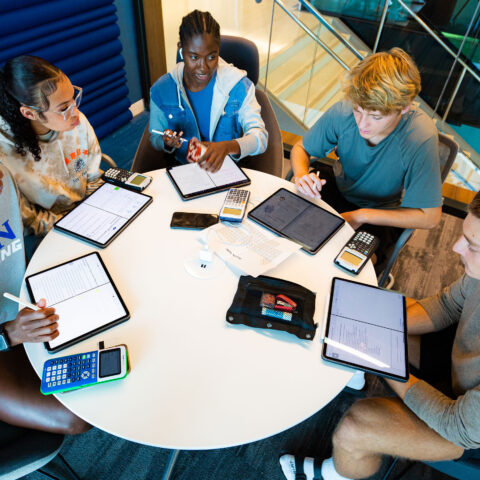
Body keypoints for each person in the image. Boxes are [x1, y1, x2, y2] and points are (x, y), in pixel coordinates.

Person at [279, 190, 480, 480]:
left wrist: (384, 362)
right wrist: (372, 323)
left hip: (466, 431)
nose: (457, 248)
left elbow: (455, 424)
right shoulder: (476, 273)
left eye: (473, 245)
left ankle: (330, 475)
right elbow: (450, 305)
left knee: (354, 429)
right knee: (385, 312)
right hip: (461, 367)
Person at [290, 48, 442, 272]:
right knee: (290, 234)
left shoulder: (420, 137)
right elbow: (301, 148)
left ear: (405, 107)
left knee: (345, 268)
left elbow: (429, 217)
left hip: (382, 213)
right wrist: (302, 174)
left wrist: (361, 216)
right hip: (339, 188)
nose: (362, 124)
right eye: (358, 111)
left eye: (376, 116)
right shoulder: (342, 112)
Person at [0, 163, 90, 434]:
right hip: (7, 337)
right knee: (77, 414)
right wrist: (9, 334)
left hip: (19, 316)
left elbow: (13, 257)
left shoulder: (4, 177)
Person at [149, 9, 268, 173]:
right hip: (185, 172)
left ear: (218, 50)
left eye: (211, 57)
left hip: (227, 173)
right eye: (194, 57)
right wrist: (165, 141)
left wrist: (227, 147)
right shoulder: (161, 90)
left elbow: (260, 138)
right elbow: (154, 136)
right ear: (181, 49)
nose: (203, 68)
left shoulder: (239, 86)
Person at [0, 55, 102, 237]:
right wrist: (74, 226)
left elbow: (93, 177)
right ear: (30, 113)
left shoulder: (76, 122)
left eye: (74, 98)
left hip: (88, 212)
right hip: (52, 231)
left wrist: (95, 211)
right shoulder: (4, 155)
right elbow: (28, 220)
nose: (76, 113)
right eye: (63, 109)